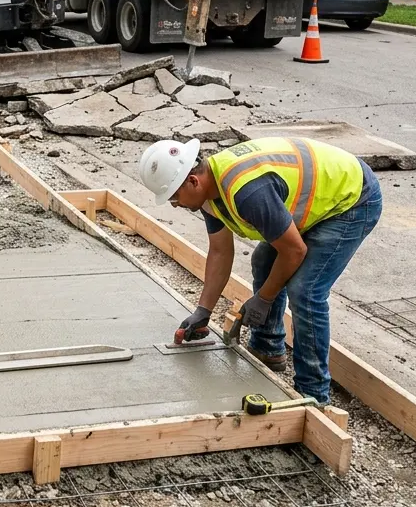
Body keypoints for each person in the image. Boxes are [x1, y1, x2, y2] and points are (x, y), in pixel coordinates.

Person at [138, 136, 382, 404]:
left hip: (351, 200)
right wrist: (203, 311)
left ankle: (313, 394)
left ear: (193, 181)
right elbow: (220, 251)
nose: (175, 204)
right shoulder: (208, 191)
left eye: (174, 196)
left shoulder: (248, 191)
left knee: (306, 290)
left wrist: (263, 299)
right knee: (264, 260)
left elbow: (295, 251)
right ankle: (268, 347)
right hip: (320, 197)